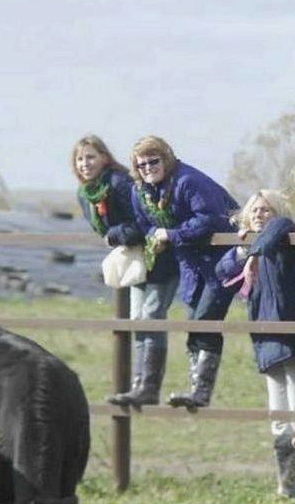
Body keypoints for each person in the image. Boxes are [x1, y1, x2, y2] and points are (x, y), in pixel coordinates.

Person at [108, 135, 239, 410]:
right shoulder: (140, 191)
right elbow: (145, 223)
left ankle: (200, 392)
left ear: (165, 159)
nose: (148, 168)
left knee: (204, 320)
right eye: (141, 164)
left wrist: (171, 233)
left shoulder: (188, 181)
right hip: (189, 261)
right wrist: (155, 236)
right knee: (194, 321)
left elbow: (210, 219)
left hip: (221, 258)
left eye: (153, 161)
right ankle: (185, 390)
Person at [75, 135, 180, 409]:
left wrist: (113, 235)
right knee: (137, 318)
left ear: (104, 158)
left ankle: (149, 386)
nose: (85, 163)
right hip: (136, 258)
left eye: (90, 157)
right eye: (80, 159)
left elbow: (142, 223)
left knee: (151, 315)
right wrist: (114, 236)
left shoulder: (120, 183)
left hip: (160, 253)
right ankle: (138, 384)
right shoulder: (86, 192)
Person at [215, 190, 295, 498]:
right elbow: (222, 271)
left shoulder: (281, 237)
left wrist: (254, 252)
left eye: (266, 210)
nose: (259, 215)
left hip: (289, 337)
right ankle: (288, 485)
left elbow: (283, 225)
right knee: (279, 418)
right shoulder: (249, 245)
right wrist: (244, 251)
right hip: (264, 338)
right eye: (254, 210)